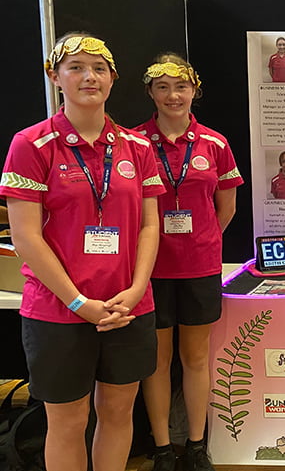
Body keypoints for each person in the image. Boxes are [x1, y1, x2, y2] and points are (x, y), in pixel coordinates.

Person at [0, 33, 164, 471]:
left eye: (99, 68)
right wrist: (78, 302)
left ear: (113, 79)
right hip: (58, 310)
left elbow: (150, 225)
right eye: (76, 67)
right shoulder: (31, 145)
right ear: (55, 77)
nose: (89, 76)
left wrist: (136, 289)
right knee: (68, 421)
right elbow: (26, 238)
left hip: (127, 306)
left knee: (117, 413)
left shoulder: (139, 147)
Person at [136, 53, 243, 471]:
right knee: (157, 361)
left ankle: (197, 446)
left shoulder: (214, 143)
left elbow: (226, 208)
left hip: (199, 266)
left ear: (194, 91)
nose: (172, 95)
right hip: (149, 270)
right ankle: (163, 448)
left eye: (181, 86)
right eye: (162, 87)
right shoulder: (133, 143)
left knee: (196, 360)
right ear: (150, 93)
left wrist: (202, 241)